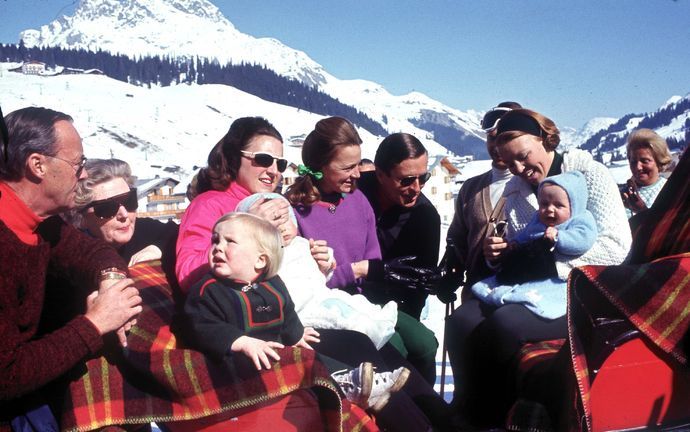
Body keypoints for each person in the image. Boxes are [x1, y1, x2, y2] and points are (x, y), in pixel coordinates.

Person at [447, 108, 631, 427]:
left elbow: (616, 246)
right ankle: (466, 406)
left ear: (545, 138)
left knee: (505, 324)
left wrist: (553, 262)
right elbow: (522, 248)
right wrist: (500, 255)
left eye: (524, 156)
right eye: (510, 162)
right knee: (462, 319)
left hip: (587, 291)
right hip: (537, 288)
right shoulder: (516, 192)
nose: (519, 168)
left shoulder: (590, 175)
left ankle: (499, 415)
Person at [180, 212, 410, 412]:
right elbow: (200, 325)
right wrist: (239, 341)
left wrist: (296, 333)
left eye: (230, 242)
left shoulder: (271, 283)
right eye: (215, 239)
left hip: (276, 351)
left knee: (311, 354)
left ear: (261, 261)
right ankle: (348, 384)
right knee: (304, 363)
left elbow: (286, 309)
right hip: (242, 365)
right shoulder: (208, 290)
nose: (218, 247)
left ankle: (362, 385)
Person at [0, 107, 142, 427]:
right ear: (37, 165)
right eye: (78, 164)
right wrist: (95, 323)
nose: (83, 175)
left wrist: (109, 281)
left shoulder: (42, 223)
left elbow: (91, 252)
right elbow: (6, 376)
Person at [285, 118, 439, 387]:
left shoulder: (358, 199)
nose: (358, 174)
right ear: (320, 167)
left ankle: (428, 406)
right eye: (348, 167)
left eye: (358, 165)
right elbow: (303, 283)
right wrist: (351, 271)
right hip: (325, 306)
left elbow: (373, 260)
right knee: (398, 349)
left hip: (363, 299)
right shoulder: (296, 213)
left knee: (425, 343)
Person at [236, 193, 398, 350]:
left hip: (322, 296)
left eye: (285, 220)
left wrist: (325, 264)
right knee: (347, 322)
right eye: (273, 225)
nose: (282, 228)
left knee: (358, 310)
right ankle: (367, 340)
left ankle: (374, 330)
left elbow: (318, 275)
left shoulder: (302, 243)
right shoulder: (263, 256)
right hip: (301, 310)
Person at [443, 101, 520, 407]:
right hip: (474, 291)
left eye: (504, 136)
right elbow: (457, 238)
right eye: (491, 137)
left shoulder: (531, 184)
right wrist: (449, 268)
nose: (496, 144)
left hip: (515, 293)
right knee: (467, 353)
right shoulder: (470, 189)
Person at [176, 116, 291, 292]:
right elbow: (187, 275)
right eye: (263, 159)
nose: (274, 171)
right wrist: (248, 227)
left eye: (280, 163)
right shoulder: (208, 204)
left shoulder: (274, 205)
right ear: (234, 158)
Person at [471, 171, 597, 320]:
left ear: (574, 205)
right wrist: (515, 243)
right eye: (544, 204)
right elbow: (527, 234)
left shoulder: (579, 220)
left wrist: (559, 237)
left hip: (557, 276)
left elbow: (583, 240)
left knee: (531, 300)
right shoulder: (538, 219)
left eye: (558, 205)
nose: (549, 209)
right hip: (530, 269)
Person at [358, 132, 441, 321]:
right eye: (406, 180)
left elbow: (418, 288)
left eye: (423, 178)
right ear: (380, 174)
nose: (417, 188)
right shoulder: (354, 191)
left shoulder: (426, 217)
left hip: (391, 311)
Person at [620, 128, 672, 218]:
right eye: (633, 162)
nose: (638, 167)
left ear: (659, 161)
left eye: (645, 161)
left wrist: (641, 211)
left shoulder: (670, 190)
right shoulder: (621, 194)